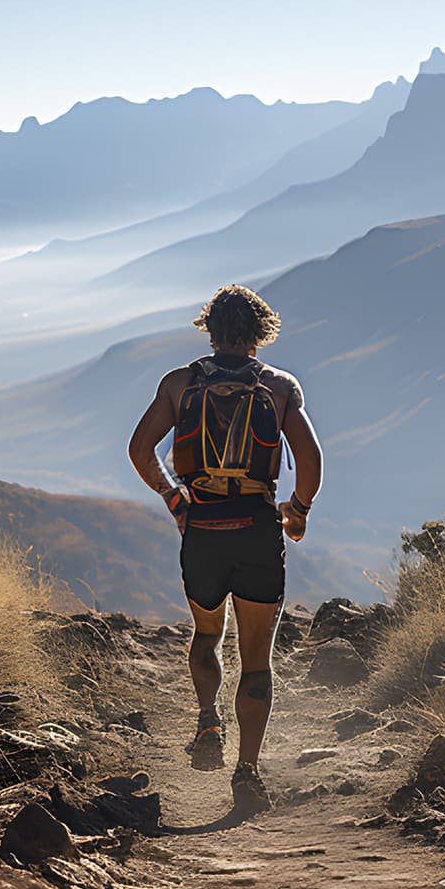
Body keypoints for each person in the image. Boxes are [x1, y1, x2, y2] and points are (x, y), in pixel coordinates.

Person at [126, 285, 321, 815]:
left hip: (203, 530)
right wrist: (297, 510)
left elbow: (140, 450)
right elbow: (309, 458)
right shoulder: (279, 387)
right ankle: (248, 771)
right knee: (256, 660)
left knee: (208, 632)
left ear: (209, 330)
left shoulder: (177, 385)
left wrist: (173, 496)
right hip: (257, 528)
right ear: (260, 332)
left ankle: (208, 720)